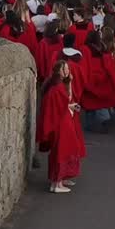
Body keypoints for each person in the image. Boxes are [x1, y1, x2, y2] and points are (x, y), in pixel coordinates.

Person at [37, 59, 86, 193]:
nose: (68, 71)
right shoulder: (58, 87)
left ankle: (58, 181)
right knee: (63, 151)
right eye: (66, 69)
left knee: (61, 151)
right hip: (62, 123)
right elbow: (65, 102)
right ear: (60, 70)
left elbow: (62, 103)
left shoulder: (54, 85)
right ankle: (58, 183)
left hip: (59, 122)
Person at [81, 29, 115, 132]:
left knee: (90, 104)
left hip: (91, 78)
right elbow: (109, 65)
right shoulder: (103, 48)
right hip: (102, 78)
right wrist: (114, 82)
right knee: (100, 102)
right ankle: (104, 118)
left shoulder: (85, 49)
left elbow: (84, 65)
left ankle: (91, 125)